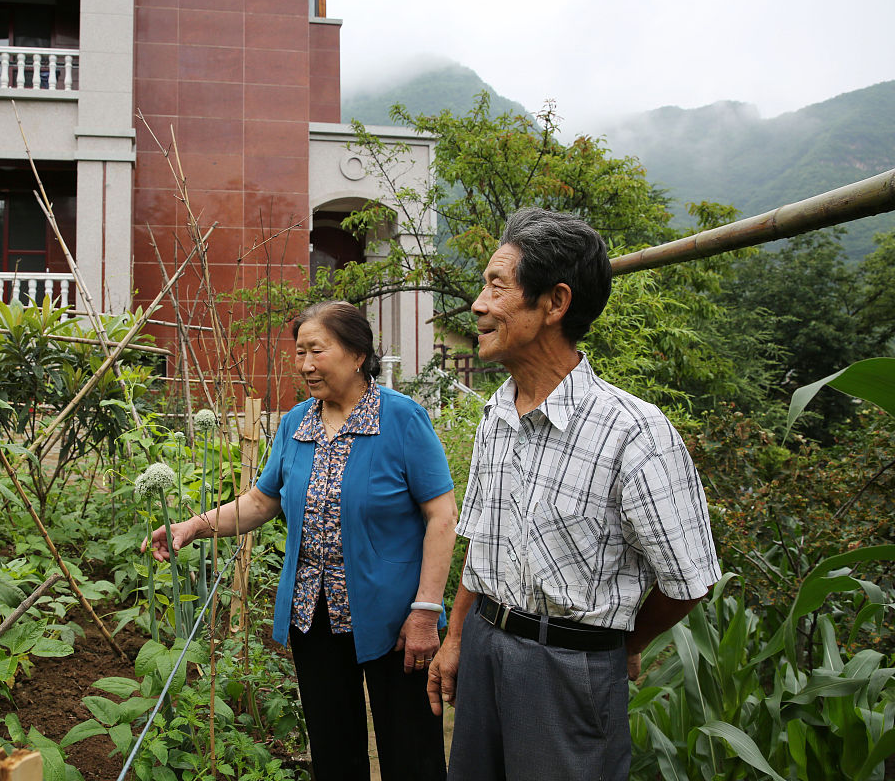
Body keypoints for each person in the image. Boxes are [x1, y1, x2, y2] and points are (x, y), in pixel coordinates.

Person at [428, 208, 721, 780]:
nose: (479, 305)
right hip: (486, 644)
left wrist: (615, 645)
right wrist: (458, 635)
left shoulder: (634, 432)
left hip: (570, 668)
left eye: (496, 286)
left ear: (554, 303)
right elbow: (481, 542)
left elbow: (689, 580)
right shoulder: (495, 415)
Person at [145, 301, 458, 781]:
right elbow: (260, 502)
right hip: (315, 612)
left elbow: (441, 515)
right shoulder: (297, 423)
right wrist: (193, 526)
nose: (306, 365)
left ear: (357, 355)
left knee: (410, 748)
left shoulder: (401, 419)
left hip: (396, 616)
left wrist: (425, 611)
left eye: (317, 350)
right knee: (333, 749)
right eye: (299, 352)